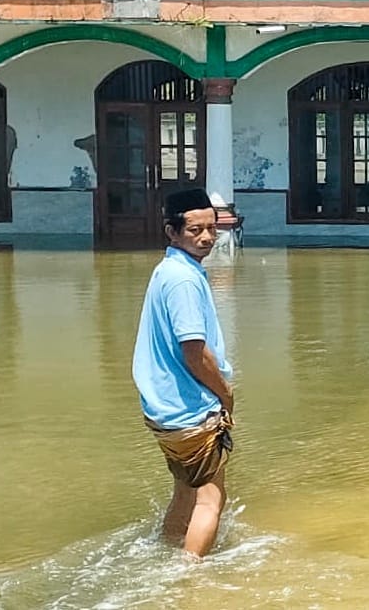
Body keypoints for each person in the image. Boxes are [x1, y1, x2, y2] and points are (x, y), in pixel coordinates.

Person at [132, 187, 235, 559]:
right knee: (211, 498)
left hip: (163, 410)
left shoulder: (168, 270)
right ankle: (188, 576)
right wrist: (225, 394)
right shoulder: (184, 280)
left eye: (212, 229)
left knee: (185, 491)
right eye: (195, 230)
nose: (207, 237)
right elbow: (194, 352)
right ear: (171, 232)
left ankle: (167, 552)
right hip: (191, 410)